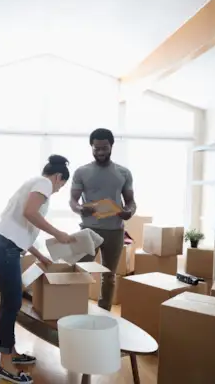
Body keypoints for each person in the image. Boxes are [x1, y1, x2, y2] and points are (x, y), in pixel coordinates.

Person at [0, 154, 74, 384]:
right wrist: (58, 234)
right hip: (5, 246)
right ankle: (5, 363)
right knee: (12, 302)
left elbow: (23, 229)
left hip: (4, 243)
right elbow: (30, 213)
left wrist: (41, 256)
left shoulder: (34, 182)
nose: (58, 190)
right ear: (57, 177)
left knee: (11, 300)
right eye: (61, 185)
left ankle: (11, 352)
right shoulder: (44, 183)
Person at [69, 128, 136, 311]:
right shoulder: (81, 172)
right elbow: (73, 201)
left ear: (111, 146)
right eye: (96, 148)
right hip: (89, 230)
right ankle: (76, 310)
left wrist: (129, 212)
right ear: (91, 147)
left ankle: (104, 312)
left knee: (109, 275)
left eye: (104, 148)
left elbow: (130, 202)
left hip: (115, 231)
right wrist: (81, 209)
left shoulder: (123, 173)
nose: (100, 152)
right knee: (80, 271)